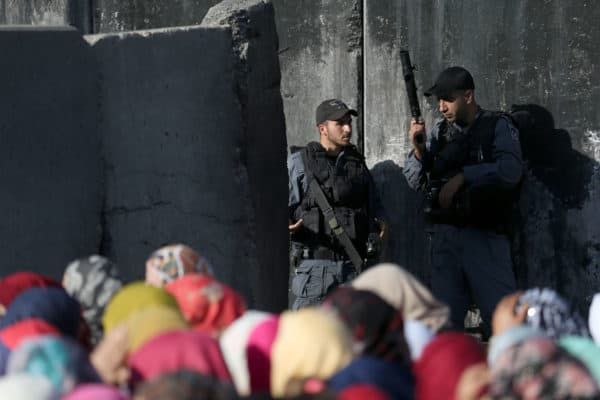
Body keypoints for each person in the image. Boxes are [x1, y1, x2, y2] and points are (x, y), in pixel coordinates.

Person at [403, 66, 522, 337]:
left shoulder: (497, 125)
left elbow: (511, 171)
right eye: (438, 100)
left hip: (485, 238)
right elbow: (413, 182)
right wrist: (419, 150)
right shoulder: (439, 133)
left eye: (448, 99)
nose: (441, 106)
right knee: (444, 329)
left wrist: (465, 177)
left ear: (468, 96)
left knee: (502, 325)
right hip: (446, 238)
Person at [288, 99, 386, 310]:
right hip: (315, 271)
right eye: (340, 123)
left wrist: (379, 227)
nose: (348, 128)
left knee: (355, 341)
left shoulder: (357, 163)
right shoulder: (299, 163)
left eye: (349, 122)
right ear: (322, 128)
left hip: (354, 268)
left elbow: (374, 208)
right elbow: (279, 208)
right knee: (308, 341)